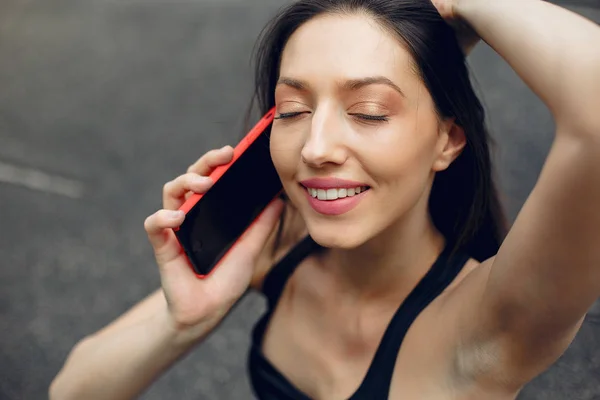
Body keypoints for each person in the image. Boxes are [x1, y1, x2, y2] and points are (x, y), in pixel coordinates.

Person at [50, 0, 600, 399]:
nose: (315, 148)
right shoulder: (277, 244)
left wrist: (467, 5)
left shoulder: (493, 321)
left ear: (446, 140)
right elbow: (72, 390)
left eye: (368, 112)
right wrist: (185, 320)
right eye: (292, 111)